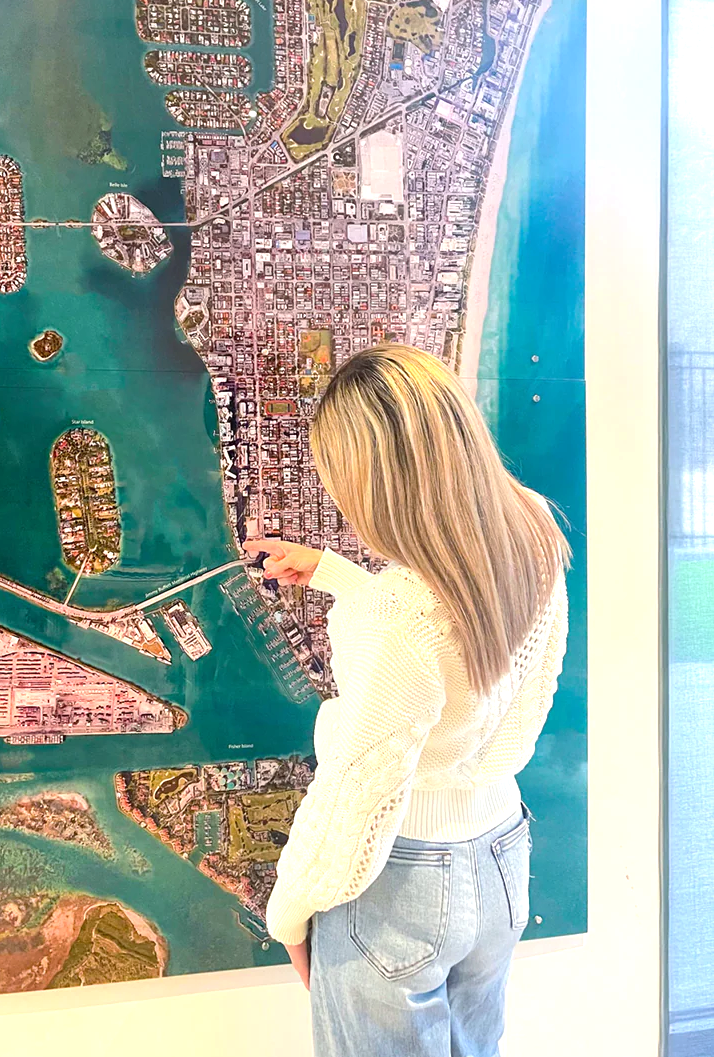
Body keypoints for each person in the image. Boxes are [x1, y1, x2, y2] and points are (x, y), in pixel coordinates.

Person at [244, 343, 570, 1057]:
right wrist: (337, 574)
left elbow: (358, 790)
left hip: (404, 882)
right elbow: (459, 660)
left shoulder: (392, 616)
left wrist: (289, 912)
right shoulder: (534, 528)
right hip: (500, 854)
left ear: (373, 480)